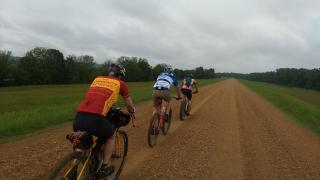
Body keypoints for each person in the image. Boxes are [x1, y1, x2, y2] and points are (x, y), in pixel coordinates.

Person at [73, 63, 135, 177]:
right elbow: (129, 104)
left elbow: (97, 97)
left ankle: (73, 170)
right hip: (96, 117)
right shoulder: (120, 83)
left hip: (79, 116)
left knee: (82, 144)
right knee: (110, 135)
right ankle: (105, 166)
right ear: (120, 76)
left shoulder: (97, 79)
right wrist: (132, 111)